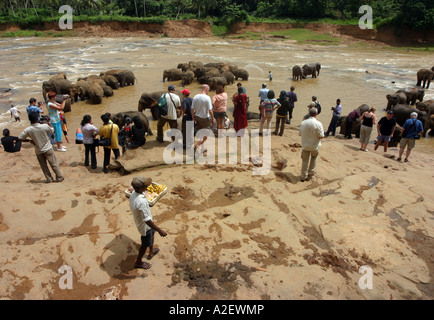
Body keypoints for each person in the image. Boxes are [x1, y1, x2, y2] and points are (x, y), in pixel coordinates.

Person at [129, 176, 167, 269]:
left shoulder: (135, 193)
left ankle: (151, 251)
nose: (148, 187)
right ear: (141, 188)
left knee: (152, 233)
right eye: (146, 186)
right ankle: (138, 262)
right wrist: (159, 230)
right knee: (145, 243)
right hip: (145, 226)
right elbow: (147, 220)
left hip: (147, 223)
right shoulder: (141, 201)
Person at [19, 112, 64, 183]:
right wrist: (49, 122)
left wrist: (29, 140)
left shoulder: (28, 129)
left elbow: (20, 138)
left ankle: (49, 179)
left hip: (38, 150)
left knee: (44, 166)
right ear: (37, 118)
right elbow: (52, 130)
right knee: (54, 163)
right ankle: (59, 177)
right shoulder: (44, 126)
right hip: (48, 148)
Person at [299, 108, 324, 182]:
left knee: (305, 161)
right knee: (313, 158)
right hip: (314, 146)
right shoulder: (319, 124)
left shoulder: (303, 123)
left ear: (309, 113)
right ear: (316, 114)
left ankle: (303, 176)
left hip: (305, 145)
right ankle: (310, 173)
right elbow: (321, 136)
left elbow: (300, 133)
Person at [192, 84, 214, 153]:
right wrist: (213, 119)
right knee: (206, 135)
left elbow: (192, 109)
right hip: (205, 119)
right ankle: (197, 145)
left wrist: (193, 118)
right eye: (208, 89)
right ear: (206, 89)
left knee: (201, 134)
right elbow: (210, 111)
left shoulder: (195, 97)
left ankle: (203, 148)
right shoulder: (207, 98)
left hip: (197, 117)